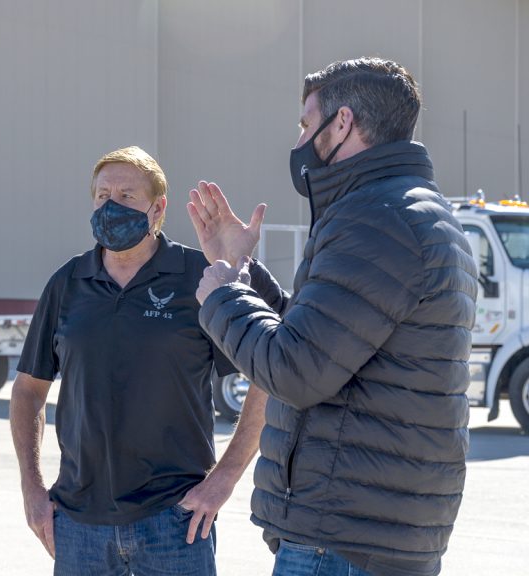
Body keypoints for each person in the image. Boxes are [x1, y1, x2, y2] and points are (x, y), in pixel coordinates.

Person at [191, 58, 477, 576]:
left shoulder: (376, 219)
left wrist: (222, 297)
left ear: (342, 123)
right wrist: (245, 271)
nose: (300, 139)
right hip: (373, 531)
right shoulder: (410, 211)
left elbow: (295, 370)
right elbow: (326, 337)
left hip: (342, 539)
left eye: (306, 123)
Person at [9, 146, 269, 575]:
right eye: (102, 194)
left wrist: (224, 479)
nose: (111, 205)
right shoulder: (68, 282)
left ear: (157, 207)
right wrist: (32, 489)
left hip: (175, 522)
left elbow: (266, 375)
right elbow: (28, 390)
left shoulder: (199, 276)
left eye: (127, 195)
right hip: (78, 526)